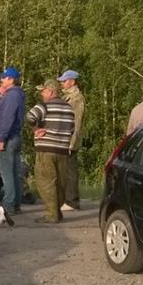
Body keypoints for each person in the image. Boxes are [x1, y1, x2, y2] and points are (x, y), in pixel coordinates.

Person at [27, 81, 76, 224]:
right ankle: (57, 211)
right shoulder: (69, 108)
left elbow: (29, 117)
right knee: (60, 183)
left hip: (46, 149)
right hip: (63, 150)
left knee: (45, 182)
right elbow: (72, 128)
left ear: (51, 91)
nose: (41, 93)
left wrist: (36, 129)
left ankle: (51, 214)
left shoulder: (44, 106)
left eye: (43, 91)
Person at [0, 66, 26, 214]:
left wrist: (2, 138)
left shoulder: (12, 96)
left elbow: (8, 118)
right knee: (15, 172)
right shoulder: (17, 95)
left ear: (11, 80)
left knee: (7, 173)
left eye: (4, 77)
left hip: (8, 138)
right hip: (15, 137)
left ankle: (9, 204)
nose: (1, 79)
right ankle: (16, 203)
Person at [57, 69, 85, 211]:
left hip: (70, 140)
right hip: (64, 138)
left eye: (64, 80)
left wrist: (72, 143)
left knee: (70, 171)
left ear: (72, 81)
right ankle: (66, 199)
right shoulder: (67, 97)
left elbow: (77, 122)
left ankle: (72, 201)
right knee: (65, 170)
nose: (62, 83)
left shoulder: (76, 98)